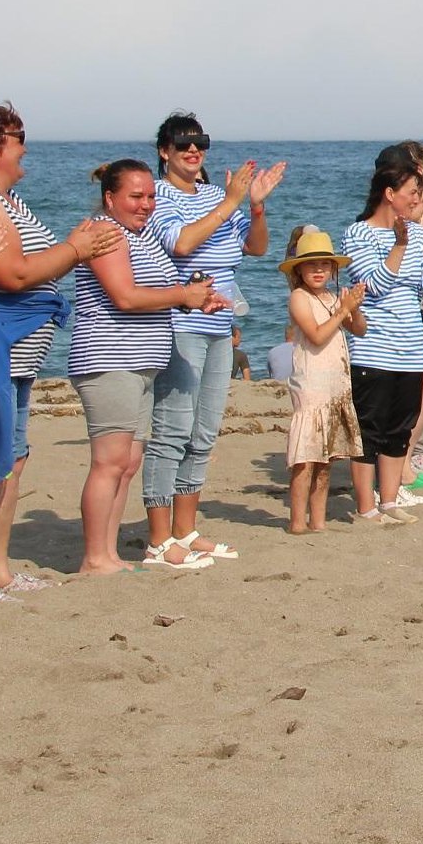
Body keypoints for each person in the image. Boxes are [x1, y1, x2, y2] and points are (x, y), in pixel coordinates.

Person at [0, 103, 119, 605]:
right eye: (19, 137)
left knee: (11, 461)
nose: (26, 146)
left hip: (14, 356)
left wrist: (74, 246)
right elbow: (11, 274)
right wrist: (78, 249)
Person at [70, 161, 224, 574]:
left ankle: (108, 554)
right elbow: (124, 296)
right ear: (110, 198)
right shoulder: (105, 232)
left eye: (150, 196)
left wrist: (192, 298)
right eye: (135, 197)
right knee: (109, 461)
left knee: (127, 462)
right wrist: (182, 295)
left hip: (140, 362)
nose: (145, 205)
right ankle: (94, 557)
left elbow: (150, 292)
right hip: (109, 358)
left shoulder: (140, 236)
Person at [148, 114, 283, 567]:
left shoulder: (212, 195)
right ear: (164, 150)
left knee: (204, 432)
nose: (193, 151)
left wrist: (257, 207)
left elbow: (257, 248)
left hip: (219, 325)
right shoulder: (158, 195)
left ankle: (185, 530)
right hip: (180, 322)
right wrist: (230, 202)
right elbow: (182, 244)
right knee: (173, 429)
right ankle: (159, 538)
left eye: (200, 143)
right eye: (183, 144)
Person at [344, 146, 423, 523]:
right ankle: (366, 507)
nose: (418, 200)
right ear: (389, 193)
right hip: (373, 349)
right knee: (369, 431)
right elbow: (373, 286)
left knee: (399, 429)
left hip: (410, 348)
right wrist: (398, 245)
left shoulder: (415, 232)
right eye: (412, 192)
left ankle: (390, 501)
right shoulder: (358, 233)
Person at [278, 228, 365, 532]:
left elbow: (360, 330)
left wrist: (353, 307)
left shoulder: (331, 296)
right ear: (299, 268)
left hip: (336, 386)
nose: (318, 270)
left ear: (333, 269)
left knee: (326, 462)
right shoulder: (298, 298)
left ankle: (318, 521)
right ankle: (296, 522)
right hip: (311, 386)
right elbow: (316, 335)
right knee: (305, 461)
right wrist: (342, 311)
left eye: (324, 265)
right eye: (311, 264)